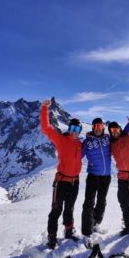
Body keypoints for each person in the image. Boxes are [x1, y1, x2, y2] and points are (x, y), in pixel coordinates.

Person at [81, 117, 129, 248]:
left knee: (101, 201)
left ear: (103, 127)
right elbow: (76, 154)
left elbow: (121, 135)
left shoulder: (107, 138)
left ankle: (95, 223)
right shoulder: (87, 142)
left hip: (106, 177)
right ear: (93, 128)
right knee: (89, 203)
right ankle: (87, 233)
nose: (98, 128)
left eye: (100, 126)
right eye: (96, 126)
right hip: (93, 176)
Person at [40, 100, 82, 249]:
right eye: (72, 127)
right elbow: (46, 128)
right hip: (62, 182)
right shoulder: (61, 140)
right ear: (69, 128)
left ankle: (69, 231)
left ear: (80, 129)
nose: (74, 130)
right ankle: (52, 237)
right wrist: (45, 109)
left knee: (69, 208)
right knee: (56, 210)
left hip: (75, 182)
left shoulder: (80, 144)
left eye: (77, 128)